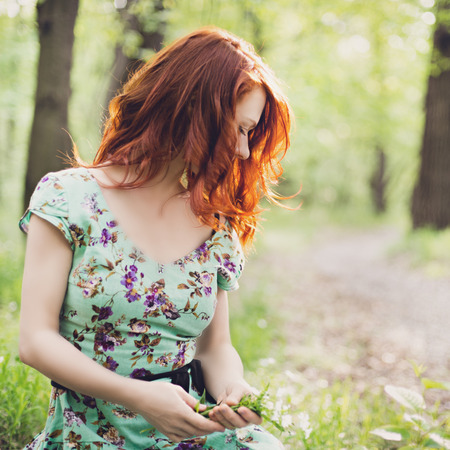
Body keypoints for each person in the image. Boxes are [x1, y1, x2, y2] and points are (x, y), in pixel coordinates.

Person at [19, 26, 292, 449]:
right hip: (86, 434)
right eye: (239, 129)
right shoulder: (69, 198)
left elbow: (215, 348)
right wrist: (140, 397)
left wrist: (234, 391)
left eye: (249, 135)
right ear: (194, 112)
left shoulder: (216, 225)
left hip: (189, 434)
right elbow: (35, 341)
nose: (243, 150)